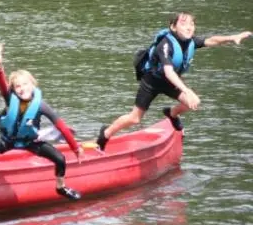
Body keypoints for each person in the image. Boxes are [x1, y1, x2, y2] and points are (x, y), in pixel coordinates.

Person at [97, 11, 252, 151]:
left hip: (171, 82)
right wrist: (186, 89)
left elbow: (212, 40)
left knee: (193, 101)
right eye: (184, 23)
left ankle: (171, 114)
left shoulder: (190, 41)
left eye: (192, 24)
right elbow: (169, 72)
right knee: (135, 118)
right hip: (152, 81)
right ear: (173, 27)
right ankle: (105, 133)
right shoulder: (165, 45)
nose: (189, 27)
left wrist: (233, 37)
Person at [0, 43, 84, 203]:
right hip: (8, 141)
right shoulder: (10, 99)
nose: (22, 89)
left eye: (25, 84)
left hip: (30, 142)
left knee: (60, 159)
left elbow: (61, 127)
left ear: (33, 84)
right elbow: (1, 85)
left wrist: (75, 148)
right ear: (13, 90)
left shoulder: (41, 105)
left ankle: (61, 187)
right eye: (17, 86)